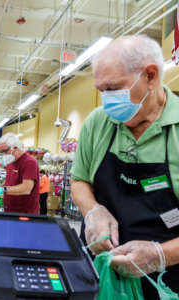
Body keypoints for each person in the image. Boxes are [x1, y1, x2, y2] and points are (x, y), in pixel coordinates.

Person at [70, 35, 179, 298]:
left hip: (167, 282)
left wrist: (159, 255)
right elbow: (80, 179)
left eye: (113, 89)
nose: (106, 100)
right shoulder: (98, 122)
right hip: (99, 277)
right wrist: (93, 210)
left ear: (151, 76)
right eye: (101, 91)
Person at [0, 133, 39, 214]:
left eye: (5, 151)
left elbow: (26, 188)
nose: (3, 154)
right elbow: (10, 183)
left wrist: (3, 190)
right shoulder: (10, 163)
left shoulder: (29, 162)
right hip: (9, 211)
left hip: (25, 214)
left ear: (15, 147)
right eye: (1, 152)